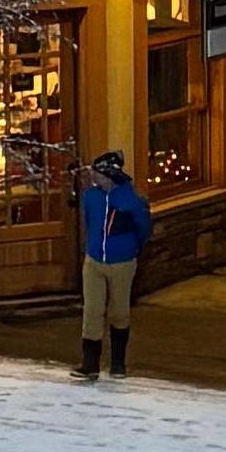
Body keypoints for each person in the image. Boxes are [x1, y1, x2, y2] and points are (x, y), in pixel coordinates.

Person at [77, 145, 150, 377]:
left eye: (97, 173)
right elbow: (88, 222)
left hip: (123, 262)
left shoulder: (131, 200)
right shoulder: (90, 197)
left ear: (108, 175)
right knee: (92, 311)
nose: (93, 177)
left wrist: (132, 249)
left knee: (119, 311)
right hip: (94, 260)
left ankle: (118, 363)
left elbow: (144, 229)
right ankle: (90, 365)